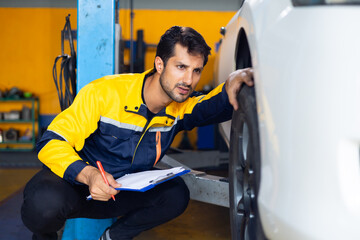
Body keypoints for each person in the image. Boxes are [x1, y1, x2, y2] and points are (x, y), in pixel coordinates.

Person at [21, 26, 254, 240]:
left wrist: (233, 81)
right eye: (181, 67)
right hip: (78, 186)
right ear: (160, 64)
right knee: (42, 206)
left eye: (196, 71)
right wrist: (89, 175)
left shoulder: (180, 108)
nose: (188, 80)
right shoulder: (105, 93)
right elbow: (52, 142)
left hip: (121, 191)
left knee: (175, 195)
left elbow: (213, 105)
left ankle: (112, 238)